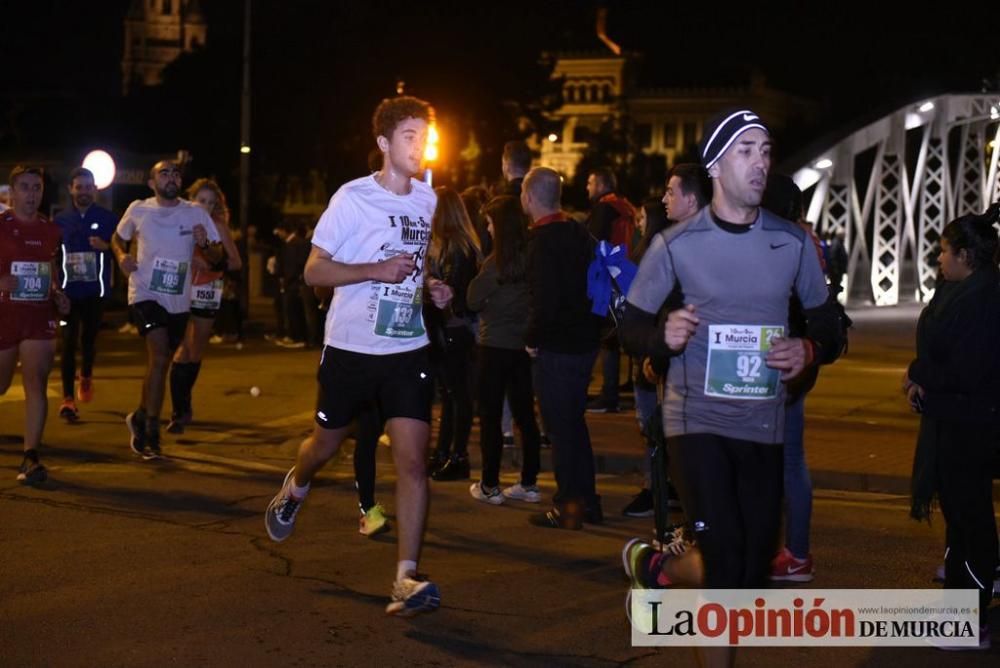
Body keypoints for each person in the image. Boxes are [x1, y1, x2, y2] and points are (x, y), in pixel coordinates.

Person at [620, 109, 843, 665]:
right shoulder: (676, 245)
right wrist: (662, 335)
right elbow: (628, 325)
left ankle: (663, 567)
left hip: (763, 426)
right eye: (746, 151)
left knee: (748, 569)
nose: (761, 162)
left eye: (766, 150)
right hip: (695, 423)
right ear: (717, 165)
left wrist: (809, 352)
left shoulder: (791, 244)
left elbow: (829, 326)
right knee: (725, 563)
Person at [264, 95, 453, 617]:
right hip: (350, 347)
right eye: (409, 136)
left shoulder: (427, 201)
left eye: (425, 135)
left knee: (414, 463)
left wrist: (433, 287)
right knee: (325, 444)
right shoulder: (352, 199)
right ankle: (296, 487)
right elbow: (313, 271)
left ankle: (406, 579)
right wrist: (372, 270)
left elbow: (412, 269)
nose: (419, 145)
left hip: (406, 346)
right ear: (384, 144)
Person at [907, 203, 1000, 650]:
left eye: (944, 251)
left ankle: (972, 622)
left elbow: (967, 371)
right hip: (956, 421)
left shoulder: (984, 299)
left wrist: (921, 374)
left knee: (972, 523)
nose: (939, 259)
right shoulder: (965, 291)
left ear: (965, 255)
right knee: (961, 522)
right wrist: (919, 378)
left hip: (972, 426)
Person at [111, 160, 222, 460]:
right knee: (159, 357)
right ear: (151, 183)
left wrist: (205, 245)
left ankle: (140, 414)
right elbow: (117, 238)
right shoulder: (138, 208)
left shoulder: (195, 212)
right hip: (145, 293)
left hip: (178, 300)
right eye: (164, 173)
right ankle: (151, 432)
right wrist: (122, 256)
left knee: (159, 363)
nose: (171, 177)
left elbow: (218, 254)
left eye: (175, 173)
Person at [521, 166, 603, 529]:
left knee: (560, 428)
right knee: (574, 424)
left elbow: (545, 300)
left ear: (528, 197)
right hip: (584, 342)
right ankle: (588, 500)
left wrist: (532, 339)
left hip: (557, 347)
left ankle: (569, 504)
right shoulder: (577, 232)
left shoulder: (542, 241)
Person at [467, 195, 543, 504]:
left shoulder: (493, 264)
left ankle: (489, 484)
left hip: (493, 345)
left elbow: (472, 299)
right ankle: (529, 482)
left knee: (490, 415)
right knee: (525, 415)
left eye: (489, 222)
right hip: (522, 346)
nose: (486, 227)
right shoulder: (530, 259)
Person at [0, 166, 70, 483]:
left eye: (37, 187)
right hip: (4, 315)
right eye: (25, 187)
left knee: (35, 385)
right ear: (12, 192)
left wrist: (58, 294)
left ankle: (30, 457)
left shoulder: (51, 230)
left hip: (39, 316)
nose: (32, 193)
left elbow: (51, 271)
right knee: (1, 385)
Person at [166, 178, 242, 433]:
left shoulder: (218, 226)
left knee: (195, 350)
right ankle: (178, 412)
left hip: (208, 289)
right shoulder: (180, 220)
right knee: (180, 350)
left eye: (211, 202)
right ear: (192, 199)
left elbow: (236, 262)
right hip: (179, 289)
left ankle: (185, 405)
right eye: (202, 201)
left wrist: (209, 264)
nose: (206, 206)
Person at [425, 187, 481, 481]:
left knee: (458, 394)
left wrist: (432, 283)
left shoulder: (456, 247)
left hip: (454, 328)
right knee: (450, 394)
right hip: (448, 326)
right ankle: (443, 452)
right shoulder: (448, 245)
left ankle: (457, 455)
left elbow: (452, 291)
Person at [53, 167, 117, 421]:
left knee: (88, 340)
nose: (84, 191)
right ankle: (68, 399)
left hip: (95, 292)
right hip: (68, 294)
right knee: (68, 342)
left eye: (88, 187)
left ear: (95, 189)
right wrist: (56, 289)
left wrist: (107, 246)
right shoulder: (60, 221)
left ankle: (86, 376)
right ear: (71, 189)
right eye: (79, 187)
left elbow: (126, 248)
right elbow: (52, 256)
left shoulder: (108, 218)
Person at [585, 167, 637, 414]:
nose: (587, 187)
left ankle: (608, 396)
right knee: (615, 339)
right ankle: (614, 391)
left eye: (590, 182)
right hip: (625, 276)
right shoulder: (626, 208)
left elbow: (593, 243)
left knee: (604, 340)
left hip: (606, 279)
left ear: (602, 184)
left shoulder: (604, 209)